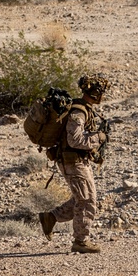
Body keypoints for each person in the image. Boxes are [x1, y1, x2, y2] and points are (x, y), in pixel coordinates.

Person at [39, 73, 110, 253]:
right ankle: (81, 241)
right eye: (101, 92)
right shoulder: (79, 112)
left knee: (83, 198)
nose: (103, 96)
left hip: (77, 161)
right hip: (73, 162)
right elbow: (75, 140)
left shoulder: (85, 108)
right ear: (95, 93)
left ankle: (51, 218)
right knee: (87, 201)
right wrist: (98, 138)